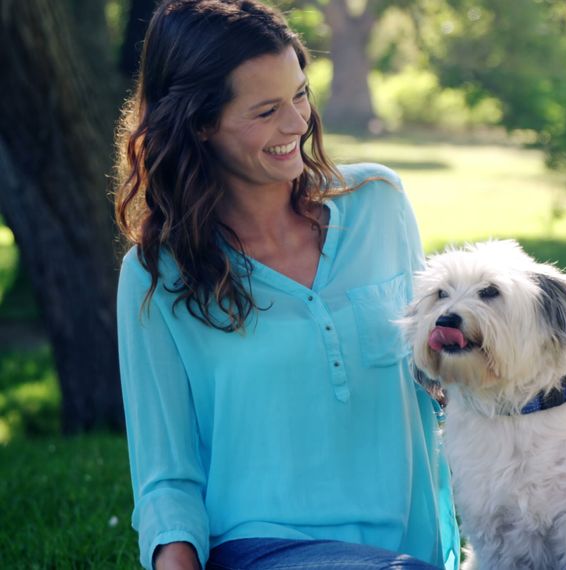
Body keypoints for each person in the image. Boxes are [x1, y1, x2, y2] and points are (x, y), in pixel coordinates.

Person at [113, 1, 458, 569]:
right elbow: (167, 480)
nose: (297, 123)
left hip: (407, 551)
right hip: (260, 548)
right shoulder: (159, 276)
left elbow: (449, 370)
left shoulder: (380, 204)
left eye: (300, 94)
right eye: (267, 110)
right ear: (201, 123)